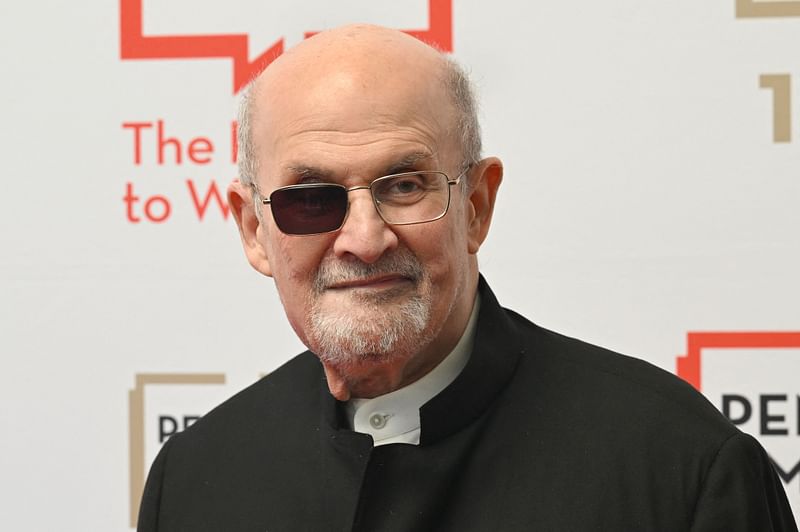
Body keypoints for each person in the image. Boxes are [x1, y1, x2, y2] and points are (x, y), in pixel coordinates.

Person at [137, 24, 797, 532]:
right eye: (312, 197)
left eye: (404, 185)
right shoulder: (195, 482)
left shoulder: (680, 472)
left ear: (476, 205)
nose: (364, 239)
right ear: (254, 230)